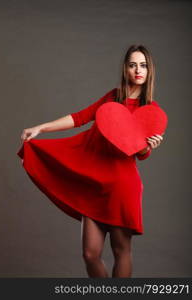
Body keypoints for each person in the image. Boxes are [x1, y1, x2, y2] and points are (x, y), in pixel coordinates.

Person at [17, 44, 164, 278]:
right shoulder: (112, 98)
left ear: (149, 71)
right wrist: (40, 128)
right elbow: (79, 118)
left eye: (143, 65)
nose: (138, 70)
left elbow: (140, 154)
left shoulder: (151, 110)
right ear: (125, 68)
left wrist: (149, 147)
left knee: (121, 251)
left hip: (122, 186)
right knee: (90, 254)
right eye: (133, 64)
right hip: (94, 183)